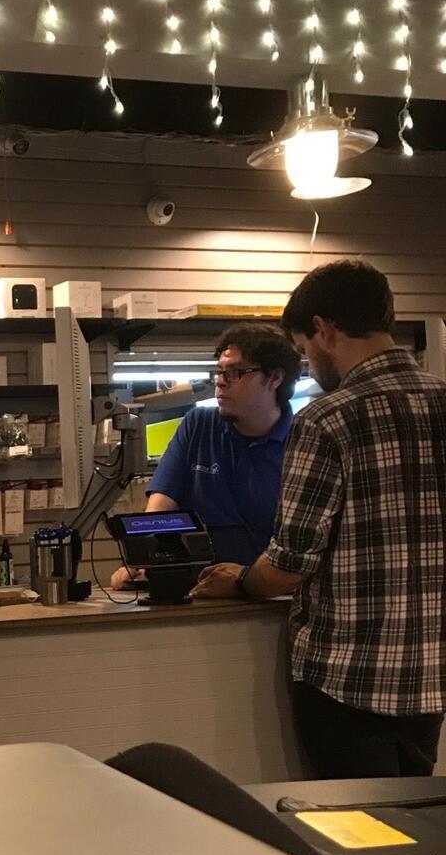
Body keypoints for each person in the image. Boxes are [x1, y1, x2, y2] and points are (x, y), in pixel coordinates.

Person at [192, 260, 446, 779]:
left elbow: (288, 566)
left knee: (350, 823)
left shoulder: (327, 419)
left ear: (323, 328)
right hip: (430, 679)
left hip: (346, 680)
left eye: (305, 349)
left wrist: (240, 580)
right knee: (414, 816)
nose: (309, 365)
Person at [111, 323, 300, 591]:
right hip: (200, 594)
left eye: (235, 372)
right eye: (219, 372)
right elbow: (162, 502)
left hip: (269, 596)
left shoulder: (303, 442)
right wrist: (141, 558)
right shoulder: (199, 425)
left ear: (274, 378)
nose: (220, 381)